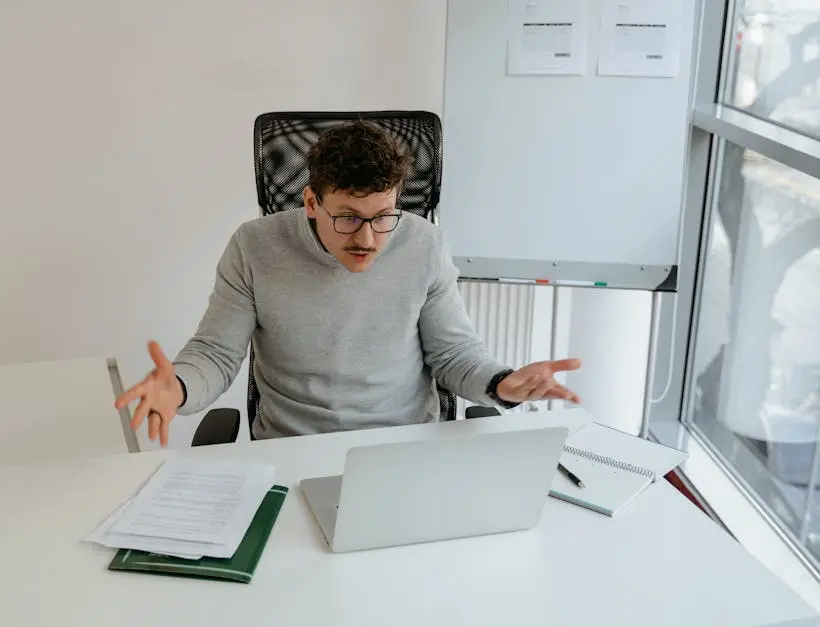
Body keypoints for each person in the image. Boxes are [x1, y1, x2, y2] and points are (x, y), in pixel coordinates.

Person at [116, 120, 582, 446]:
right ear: (311, 201)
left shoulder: (423, 244)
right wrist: (176, 387)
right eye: (348, 218)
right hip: (289, 448)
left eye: (383, 217)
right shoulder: (255, 246)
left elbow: (454, 355)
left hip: (402, 446)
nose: (367, 239)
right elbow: (216, 355)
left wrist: (502, 384)